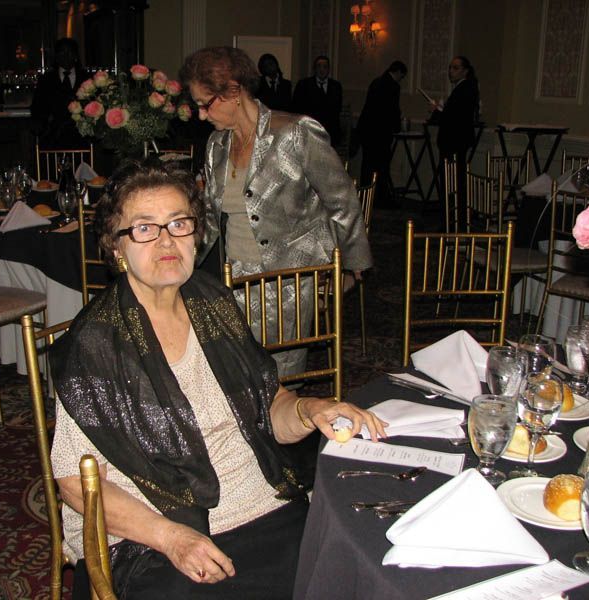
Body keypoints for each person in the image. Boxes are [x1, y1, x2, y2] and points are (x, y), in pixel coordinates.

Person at [49, 159, 386, 599]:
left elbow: (266, 406)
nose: (167, 240)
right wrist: (171, 537)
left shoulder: (213, 302)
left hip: (256, 500)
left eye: (179, 224)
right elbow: (75, 483)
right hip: (152, 526)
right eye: (145, 228)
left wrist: (309, 409)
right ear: (117, 248)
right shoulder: (95, 344)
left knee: (341, 559)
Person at [179, 46, 373, 379]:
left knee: (281, 376)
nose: (201, 115)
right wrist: (180, 256)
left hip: (288, 281)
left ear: (233, 92)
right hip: (232, 277)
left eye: (204, 104)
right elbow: (211, 218)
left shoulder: (296, 132)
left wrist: (353, 267)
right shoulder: (217, 145)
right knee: (235, 375)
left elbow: (342, 200)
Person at [427, 55, 480, 231]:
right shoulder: (465, 88)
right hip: (455, 141)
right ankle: (452, 220)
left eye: (456, 68)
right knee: (453, 181)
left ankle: (451, 221)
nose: (451, 71)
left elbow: (454, 118)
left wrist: (437, 112)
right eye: (450, 67)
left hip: (454, 142)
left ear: (465, 70)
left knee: (452, 182)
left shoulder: (465, 88)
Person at [355, 60, 408, 197]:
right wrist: (397, 127)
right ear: (398, 72)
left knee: (367, 165)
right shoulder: (393, 86)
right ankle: (380, 196)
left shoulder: (376, 82)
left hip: (367, 130)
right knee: (381, 166)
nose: (401, 80)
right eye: (401, 76)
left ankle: (366, 194)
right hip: (381, 133)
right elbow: (392, 110)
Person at [31, 37, 90, 148]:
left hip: (82, 140)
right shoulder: (46, 80)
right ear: (56, 56)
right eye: (62, 52)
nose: (66, 55)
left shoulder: (87, 79)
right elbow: (37, 108)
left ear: (76, 55)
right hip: (52, 139)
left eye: (69, 52)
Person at [292, 55, 343, 146]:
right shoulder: (304, 84)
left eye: (325, 67)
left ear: (329, 69)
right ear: (314, 69)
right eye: (319, 66)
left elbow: (337, 109)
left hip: (330, 132)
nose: (322, 69)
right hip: (309, 130)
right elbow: (297, 108)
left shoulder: (336, 86)